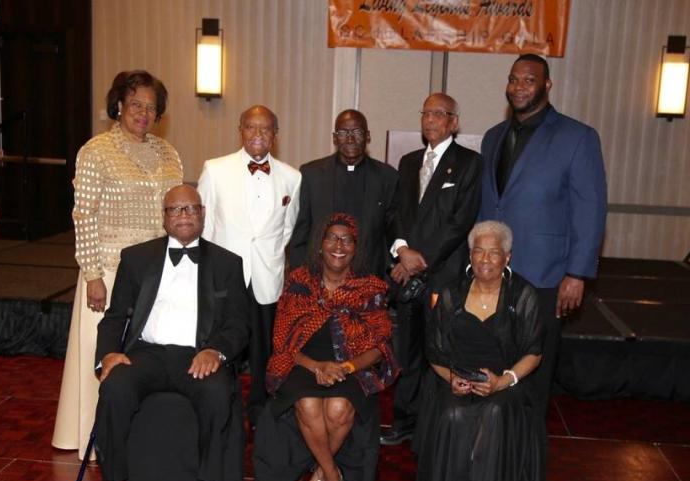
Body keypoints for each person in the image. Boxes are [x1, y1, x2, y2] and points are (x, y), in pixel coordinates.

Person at [87, 185, 249, 481]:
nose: (183, 215)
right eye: (175, 210)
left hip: (197, 356)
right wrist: (108, 356)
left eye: (190, 209)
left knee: (218, 392)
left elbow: (239, 325)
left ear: (203, 214)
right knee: (114, 389)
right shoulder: (136, 258)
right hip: (147, 354)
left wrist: (216, 350)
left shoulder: (228, 263)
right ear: (164, 218)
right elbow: (115, 318)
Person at [53, 70, 184, 460]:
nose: (144, 113)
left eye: (151, 107)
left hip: (156, 273)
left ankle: (138, 438)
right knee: (104, 357)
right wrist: (93, 274)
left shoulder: (168, 153)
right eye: (136, 104)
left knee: (145, 358)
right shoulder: (96, 151)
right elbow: (83, 216)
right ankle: (97, 440)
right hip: (108, 271)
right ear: (119, 106)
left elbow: (175, 213)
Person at [477, 54, 607, 413]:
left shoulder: (577, 137)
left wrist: (577, 274)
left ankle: (527, 452)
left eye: (529, 80)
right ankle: (495, 443)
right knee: (495, 363)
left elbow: (590, 210)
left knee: (534, 372)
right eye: (514, 79)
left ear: (546, 85)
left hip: (545, 276)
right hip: (493, 275)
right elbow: (489, 206)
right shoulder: (492, 137)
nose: (519, 87)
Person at [252, 213, 399, 481]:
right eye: (332, 237)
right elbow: (283, 340)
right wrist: (316, 365)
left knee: (337, 408)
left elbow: (379, 347)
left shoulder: (369, 287)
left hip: (350, 365)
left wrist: (344, 366)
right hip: (301, 363)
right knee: (306, 403)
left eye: (347, 240)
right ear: (320, 245)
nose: (339, 245)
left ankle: (319, 474)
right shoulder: (299, 281)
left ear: (355, 249)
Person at [405, 221, 545, 481]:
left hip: (507, 383)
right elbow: (434, 354)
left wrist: (503, 381)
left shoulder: (523, 295)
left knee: (493, 414)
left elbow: (534, 353)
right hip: (458, 380)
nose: (485, 258)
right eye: (478, 251)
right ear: (470, 254)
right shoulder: (452, 294)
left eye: (493, 252)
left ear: (507, 257)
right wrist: (452, 377)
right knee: (454, 414)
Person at [381, 92, 483, 446]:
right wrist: (401, 250)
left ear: (454, 122)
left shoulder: (470, 163)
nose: (431, 120)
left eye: (440, 114)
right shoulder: (408, 162)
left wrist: (416, 261)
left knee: (439, 351)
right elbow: (394, 214)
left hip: (443, 275)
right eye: (426, 113)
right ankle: (404, 420)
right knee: (406, 350)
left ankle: (434, 426)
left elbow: (460, 222)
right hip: (407, 276)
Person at [197, 105, 302, 426]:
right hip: (225, 278)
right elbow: (202, 224)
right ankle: (220, 409)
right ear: (240, 130)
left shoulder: (292, 177)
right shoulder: (215, 170)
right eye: (251, 127)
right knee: (222, 348)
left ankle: (260, 411)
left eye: (266, 128)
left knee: (263, 353)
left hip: (266, 278)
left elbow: (288, 230)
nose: (258, 134)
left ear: (276, 134)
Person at [288, 110, 398, 279]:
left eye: (357, 132)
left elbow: (393, 229)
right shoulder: (312, 174)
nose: (350, 139)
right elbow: (301, 232)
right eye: (343, 133)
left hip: (369, 279)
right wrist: (300, 278)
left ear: (368, 137)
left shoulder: (387, 177)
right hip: (319, 278)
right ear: (334, 138)